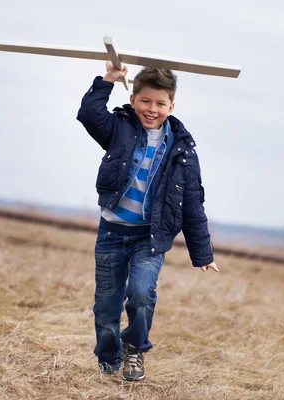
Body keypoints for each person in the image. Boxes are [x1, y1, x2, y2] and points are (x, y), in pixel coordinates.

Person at [77, 62, 219, 381]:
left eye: (159, 103)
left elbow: (192, 203)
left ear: (172, 105)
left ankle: (135, 351)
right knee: (107, 306)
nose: (151, 109)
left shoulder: (181, 150)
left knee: (141, 293)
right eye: (145, 101)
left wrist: (202, 254)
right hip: (112, 233)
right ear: (133, 99)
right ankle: (109, 357)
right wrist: (107, 80)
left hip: (149, 239)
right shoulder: (119, 129)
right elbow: (88, 113)